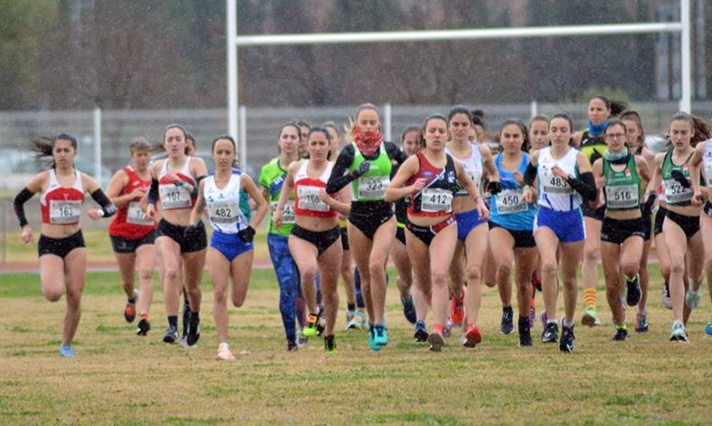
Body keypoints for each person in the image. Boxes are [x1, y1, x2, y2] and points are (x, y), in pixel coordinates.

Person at [385, 113, 488, 352]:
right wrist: (411, 188)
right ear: (425, 134)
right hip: (416, 228)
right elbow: (389, 193)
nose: (437, 135)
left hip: (444, 226)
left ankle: (438, 328)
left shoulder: (454, 165)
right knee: (423, 282)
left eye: (441, 131)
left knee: (440, 275)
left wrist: (479, 201)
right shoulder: (414, 162)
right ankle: (445, 314)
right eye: (432, 131)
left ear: (447, 134)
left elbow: (469, 183)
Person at [12, 133, 117, 357]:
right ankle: (51, 281)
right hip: (50, 242)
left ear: (74, 153)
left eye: (66, 150)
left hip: (75, 242)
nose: (62, 155)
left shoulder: (84, 180)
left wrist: (98, 212)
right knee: (53, 293)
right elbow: (18, 201)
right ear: (53, 153)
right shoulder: (43, 179)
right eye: (58, 150)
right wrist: (25, 226)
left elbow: (110, 207)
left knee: (75, 295)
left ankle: (66, 344)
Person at [326, 103, 407, 351]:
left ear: (379, 124)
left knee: (376, 265)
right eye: (365, 122)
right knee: (366, 277)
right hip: (358, 217)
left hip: (384, 215)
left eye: (373, 122)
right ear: (357, 125)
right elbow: (331, 185)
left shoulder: (390, 149)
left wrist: (395, 177)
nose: (369, 127)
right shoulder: (349, 152)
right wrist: (353, 175)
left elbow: (411, 170)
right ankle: (372, 322)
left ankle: (381, 323)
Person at [522, 113, 598, 353]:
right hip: (546, 216)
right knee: (547, 266)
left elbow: (592, 194)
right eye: (553, 129)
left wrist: (569, 178)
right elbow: (529, 173)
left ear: (570, 133)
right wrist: (527, 187)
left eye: (562, 129)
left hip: (572, 219)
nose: (556, 134)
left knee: (569, 278)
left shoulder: (578, 158)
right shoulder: (539, 155)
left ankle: (569, 325)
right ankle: (551, 322)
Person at [188, 135, 268, 360]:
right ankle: (223, 346)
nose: (223, 157)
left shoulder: (242, 179)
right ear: (212, 155)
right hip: (219, 242)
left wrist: (251, 228)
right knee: (219, 293)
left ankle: (237, 278)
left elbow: (263, 205)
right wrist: (192, 226)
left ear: (234, 156)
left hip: (242, 243)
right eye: (219, 152)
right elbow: (197, 208)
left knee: (238, 299)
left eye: (228, 153)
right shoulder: (206, 183)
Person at [273, 126, 351, 352]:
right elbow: (288, 185)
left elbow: (348, 209)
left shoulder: (336, 172)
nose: (317, 148)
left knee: (330, 291)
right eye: (313, 144)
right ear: (305, 146)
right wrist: (279, 209)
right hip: (301, 234)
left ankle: (330, 333)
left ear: (329, 146)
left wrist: (329, 200)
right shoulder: (297, 168)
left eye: (321, 144)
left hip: (330, 236)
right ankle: (313, 313)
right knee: (307, 270)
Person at [645, 112, 708, 342]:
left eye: (683, 132)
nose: (679, 137)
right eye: (675, 133)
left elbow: (706, 190)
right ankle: (678, 323)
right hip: (673, 217)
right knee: (676, 266)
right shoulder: (663, 158)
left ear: (692, 133)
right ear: (669, 134)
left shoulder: (699, 158)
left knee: (696, 277)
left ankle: (691, 299)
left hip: (698, 221)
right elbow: (655, 181)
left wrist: (698, 193)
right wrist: (650, 196)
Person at [145, 124, 208, 347]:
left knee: (192, 287)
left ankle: (195, 317)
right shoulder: (158, 167)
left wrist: (181, 183)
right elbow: (153, 190)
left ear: (185, 143)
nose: (173, 143)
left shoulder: (196, 164)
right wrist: (151, 205)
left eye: (177, 139)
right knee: (171, 272)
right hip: (167, 227)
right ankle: (171, 326)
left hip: (193, 228)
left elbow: (204, 193)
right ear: (164, 143)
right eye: (169, 139)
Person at [445, 105, 500, 347]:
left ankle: (472, 326)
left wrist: (493, 184)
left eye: (464, 125)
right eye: (455, 124)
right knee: (455, 275)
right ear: (449, 127)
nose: (459, 129)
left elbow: (494, 174)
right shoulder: (441, 152)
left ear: (471, 127)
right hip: (448, 219)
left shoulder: (482, 151)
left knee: (474, 271)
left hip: (475, 216)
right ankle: (458, 298)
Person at [592, 119, 651, 341]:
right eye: (611, 136)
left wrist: (648, 195)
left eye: (619, 135)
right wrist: (596, 192)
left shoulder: (638, 162)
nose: (615, 139)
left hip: (635, 222)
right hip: (610, 223)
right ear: (605, 138)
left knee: (629, 265)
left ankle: (632, 281)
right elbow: (592, 202)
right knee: (610, 284)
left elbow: (652, 179)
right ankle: (621, 324)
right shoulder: (599, 165)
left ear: (626, 137)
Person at [573, 95, 626, 327]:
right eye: (591, 109)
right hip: (589, 201)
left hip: (615, 203)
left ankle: (619, 303)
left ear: (608, 111)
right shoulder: (578, 138)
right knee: (591, 251)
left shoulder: (615, 137)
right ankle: (591, 307)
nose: (594, 113)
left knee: (616, 260)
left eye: (599, 109)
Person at [488, 119, 538, 347]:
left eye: (515, 136)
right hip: (500, 223)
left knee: (524, 282)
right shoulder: (493, 162)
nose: (510, 140)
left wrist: (528, 186)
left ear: (523, 139)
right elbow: (483, 186)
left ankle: (524, 323)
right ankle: (507, 308)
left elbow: (542, 193)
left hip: (527, 226)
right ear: (500, 138)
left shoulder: (531, 161)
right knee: (505, 265)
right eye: (506, 136)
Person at [105, 137, 157, 336]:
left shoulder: (155, 175)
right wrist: (130, 196)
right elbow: (107, 201)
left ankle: (145, 317)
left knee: (146, 273)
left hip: (147, 232)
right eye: (138, 155)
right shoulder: (124, 175)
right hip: (123, 232)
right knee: (127, 281)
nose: (142, 159)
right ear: (132, 156)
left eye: (145, 155)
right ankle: (130, 298)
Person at [259, 123, 304, 351]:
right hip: (278, 237)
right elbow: (261, 200)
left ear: (299, 141)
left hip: (305, 236)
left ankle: (310, 326)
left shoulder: (306, 168)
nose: (288, 140)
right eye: (284, 136)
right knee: (287, 285)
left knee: (309, 284)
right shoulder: (268, 170)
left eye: (293, 137)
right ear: (279, 141)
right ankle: (291, 339)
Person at [620, 110, 656, 332]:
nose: (627, 135)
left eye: (631, 131)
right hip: (617, 214)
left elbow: (654, 182)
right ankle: (621, 307)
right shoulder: (611, 156)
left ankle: (641, 312)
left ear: (639, 133)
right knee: (621, 263)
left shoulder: (647, 157)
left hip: (641, 213)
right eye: (623, 131)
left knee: (640, 264)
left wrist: (647, 194)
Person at [392, 125, 428, 340]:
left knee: (421, 275)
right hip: (399, 228)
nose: (413, 147)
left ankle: (422, 323)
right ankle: (405, 295)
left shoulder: (430, 167)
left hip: (423, 227)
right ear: (402, 145)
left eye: (417, 143)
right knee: (406, 278)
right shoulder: (395, 170)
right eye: (409, 143)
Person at [324, 121, 362, 329]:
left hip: (344, 222)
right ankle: (321, 312)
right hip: (324, 224)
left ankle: (352, 308)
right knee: (325, 272)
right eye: (324, 138)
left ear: (337, 139)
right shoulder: (316, 163)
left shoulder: (346, 160)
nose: (327, 142)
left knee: (345, 270)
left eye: (331, 137)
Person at [689, 122, 712, 335]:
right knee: (711, 260)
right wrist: (698, 190)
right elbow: (693, 165)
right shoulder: (704, 148)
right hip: (710, 213)